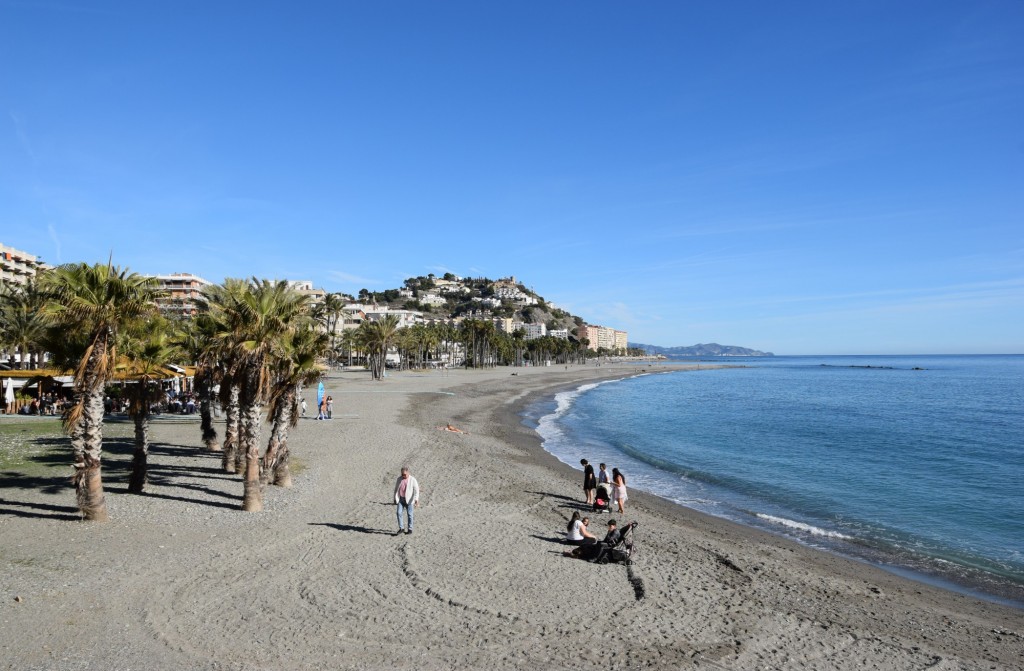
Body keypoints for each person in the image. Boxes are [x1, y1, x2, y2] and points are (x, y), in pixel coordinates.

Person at [393, 466, 420, 535]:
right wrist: (395, 498)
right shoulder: (399, 479)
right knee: (399, 513)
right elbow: (396, 489)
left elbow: (416, 490)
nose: (403, 476)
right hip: (401, 499)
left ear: (408, 473)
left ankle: (410, 529)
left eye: (404, 474)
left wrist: (416, 499)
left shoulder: (413, 480)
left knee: (410, 514)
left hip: (409, 500)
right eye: (402, 474)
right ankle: (401, 528)